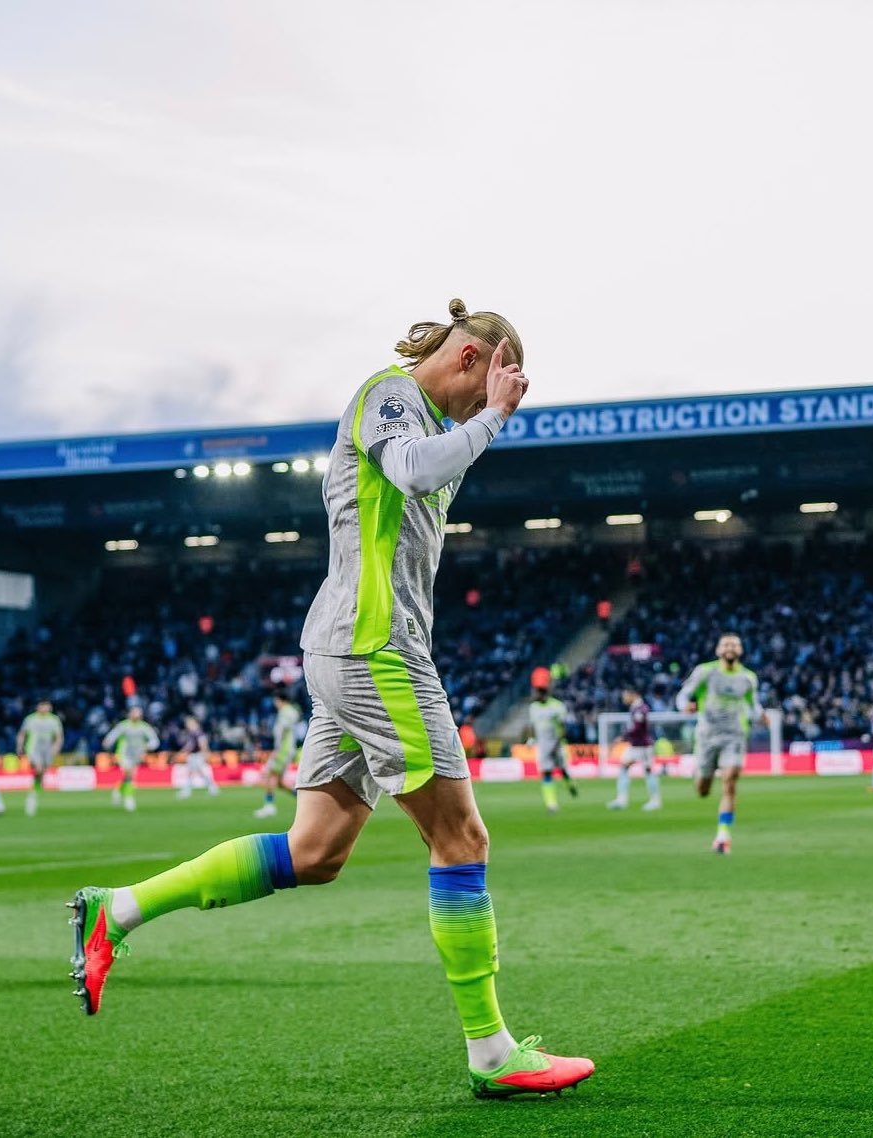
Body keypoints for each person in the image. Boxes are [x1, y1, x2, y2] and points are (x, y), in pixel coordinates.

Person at [67, 299, 593, 1099]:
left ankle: (120, 910)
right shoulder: (389, 396)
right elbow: (414, 469)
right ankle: (492, 1052)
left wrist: (475, 422)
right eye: (482, 386)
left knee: (315, 853)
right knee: (463, 839)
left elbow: (426, 470)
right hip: (373, 652)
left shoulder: (425, 420)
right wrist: (491, 418)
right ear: (470, 360)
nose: (477, 409)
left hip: (354, 651)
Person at [676, 632, 766, 854]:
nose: (730, 647)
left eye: (735, 644)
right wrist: (684, 707)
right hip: (707, 735)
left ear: (741, 650)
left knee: (730, 781)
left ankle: (723, 836)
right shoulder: (705, 672)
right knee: (703, 789)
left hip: (734, 735)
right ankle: (701, 774)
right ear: (718, 650)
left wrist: (761, 715)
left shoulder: (748, 678)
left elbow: (753, 705)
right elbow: (683, 695)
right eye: (725, 644)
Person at [607, 688, 661, 811]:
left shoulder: (641, 709)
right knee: (624, 767)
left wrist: (623, 737)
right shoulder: (636, 708)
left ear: (633, 694)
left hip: (643, 746)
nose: (624, 698)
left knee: (648, 771)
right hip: (635, 745)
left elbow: (637, 728)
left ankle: (655, 800)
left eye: (626, 695)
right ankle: (621, 799)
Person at [527, 682, 579, 813]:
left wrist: (557, 745)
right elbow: (533, 726)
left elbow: (563, 727)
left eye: (536, 692)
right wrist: (532, 739)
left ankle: (571, 785)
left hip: (557, 744)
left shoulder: (557, 706)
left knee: (562, 770)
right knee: (546, 772)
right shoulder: (533, 707)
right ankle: (551, 804)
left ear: (542, 693)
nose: (533, 695)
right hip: (543, 746)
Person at [102, 706, 160, 812]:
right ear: (130, 714)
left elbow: (154, 741)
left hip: (136, 755)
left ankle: (118, 790)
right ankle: (129, 798)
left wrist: (148, 746)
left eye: (138, 713)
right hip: (124, 753)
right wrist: (107, 742)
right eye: (134, 713)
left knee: (129, 776)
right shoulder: (124, 725)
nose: (136, 715)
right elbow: (113, 734)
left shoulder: (144, 727)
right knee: (129, 774)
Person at [253, 690, 302, 818]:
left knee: (271, 775)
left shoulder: (286, 712)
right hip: (286, 749)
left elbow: (282, 731)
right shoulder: (292, 711)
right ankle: (302, 798)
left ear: (279, 700)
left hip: (283, 749)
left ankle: (269, 806)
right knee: (279, 782)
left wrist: (277, 749)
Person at [17, 699, 63, 816]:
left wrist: (56, 748)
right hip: (33, 748)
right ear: (38, 707)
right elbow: (22, 734)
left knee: (42, 771)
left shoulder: (54, 719)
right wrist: (20, 746)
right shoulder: (30, 719)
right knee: (38, 768)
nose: (44, 708)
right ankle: (31, 796)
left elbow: (58, 736)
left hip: (47, 749)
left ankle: (35, 789)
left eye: (46, 706)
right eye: (42, 706)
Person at [173, 715, 220, 799]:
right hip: (193, 755)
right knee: (195, 772)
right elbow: (190, 745)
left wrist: (205, 753)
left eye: (189, 723)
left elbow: (202, 743)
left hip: (197, 755)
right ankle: (211, 788)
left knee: (197, 772)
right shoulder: (192, 733)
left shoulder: (198, 732)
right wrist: (183, 751)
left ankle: (210, 788)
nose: (187, 725)